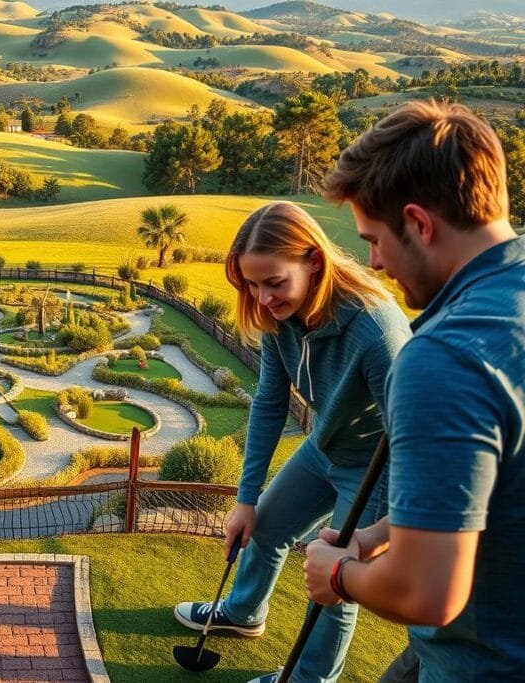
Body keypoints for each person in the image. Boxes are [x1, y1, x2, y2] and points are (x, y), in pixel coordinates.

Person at [304, 101, 524, 681]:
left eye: (374, 239)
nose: (374, 263)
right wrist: (378, 536)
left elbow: (427, 592)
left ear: (420, 224)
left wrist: (336, 574)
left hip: (484, 659)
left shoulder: (444, 358)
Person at [173, 201, 411, 683]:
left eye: (274, 282)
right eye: (252, 285)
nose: (262, 297)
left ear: (314, 262)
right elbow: (268, 402)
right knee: (263, 525)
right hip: (324, 446)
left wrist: (379, 534)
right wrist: (245, 500)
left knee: (334, 582)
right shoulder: (279, 316)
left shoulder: (376, 332)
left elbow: (413, 440)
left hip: (374, 470)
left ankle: (310, 678)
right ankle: (243, 613)